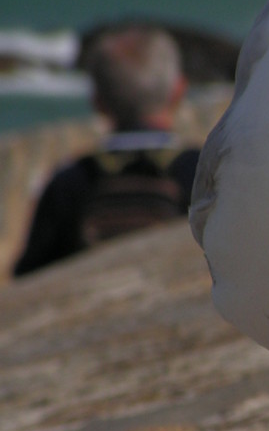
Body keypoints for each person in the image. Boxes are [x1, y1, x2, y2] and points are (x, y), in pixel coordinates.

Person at [13, 27, 198, 276]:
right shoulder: (199, 170)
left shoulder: (69, 182)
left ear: (97, 101)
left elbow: (29, 277)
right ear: (179, 91)